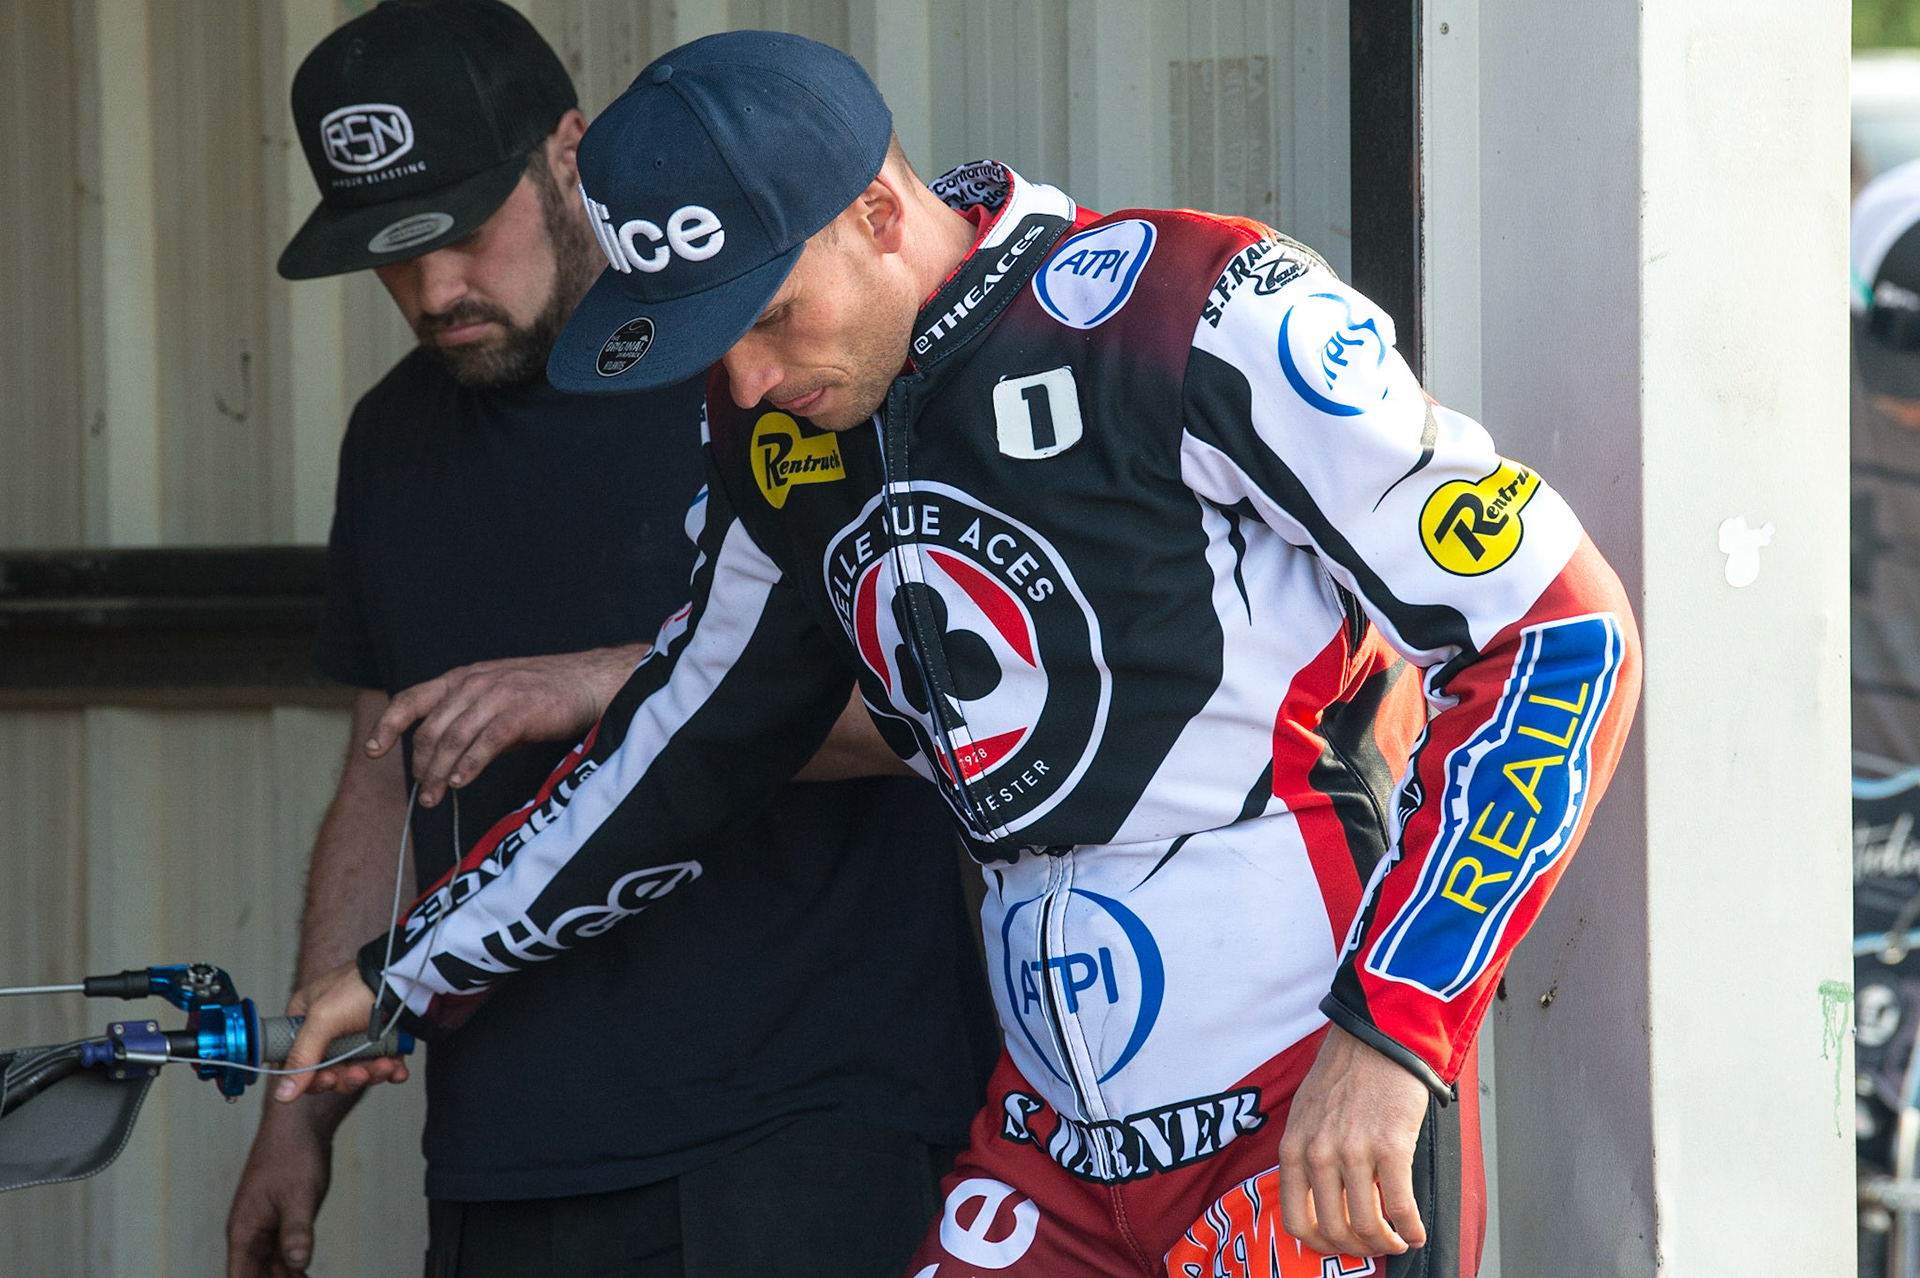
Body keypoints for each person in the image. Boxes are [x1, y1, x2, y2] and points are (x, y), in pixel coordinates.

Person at [281, 30, 1642, 1277]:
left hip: (1299, 1115)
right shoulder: (777, 432)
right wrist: (406, 967)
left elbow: (1558, 632)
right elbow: (677, 742)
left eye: (768, 315)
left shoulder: (1196, 307)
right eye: (710, 338)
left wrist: (1395, 1028)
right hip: (1049, 1140)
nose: (745, 379)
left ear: (879, 212)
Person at [228, 8, 997, 1277]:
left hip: (809, 1118)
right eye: (391, 256)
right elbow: (384, 772)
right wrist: (297, 1110)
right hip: (507, 1143)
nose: (435, 291)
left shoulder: (784, 375)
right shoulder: (394, 437)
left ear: (570, 153)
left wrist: (605, 685)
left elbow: (949, 712)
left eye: (467, 232)